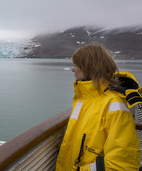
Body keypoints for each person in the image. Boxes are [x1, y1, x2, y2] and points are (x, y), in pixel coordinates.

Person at [56, 42, 141, 171]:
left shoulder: (114, 105)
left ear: (89, 67)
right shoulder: (84, 98)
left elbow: (121, 164)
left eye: (76, 65)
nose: (73, 69)